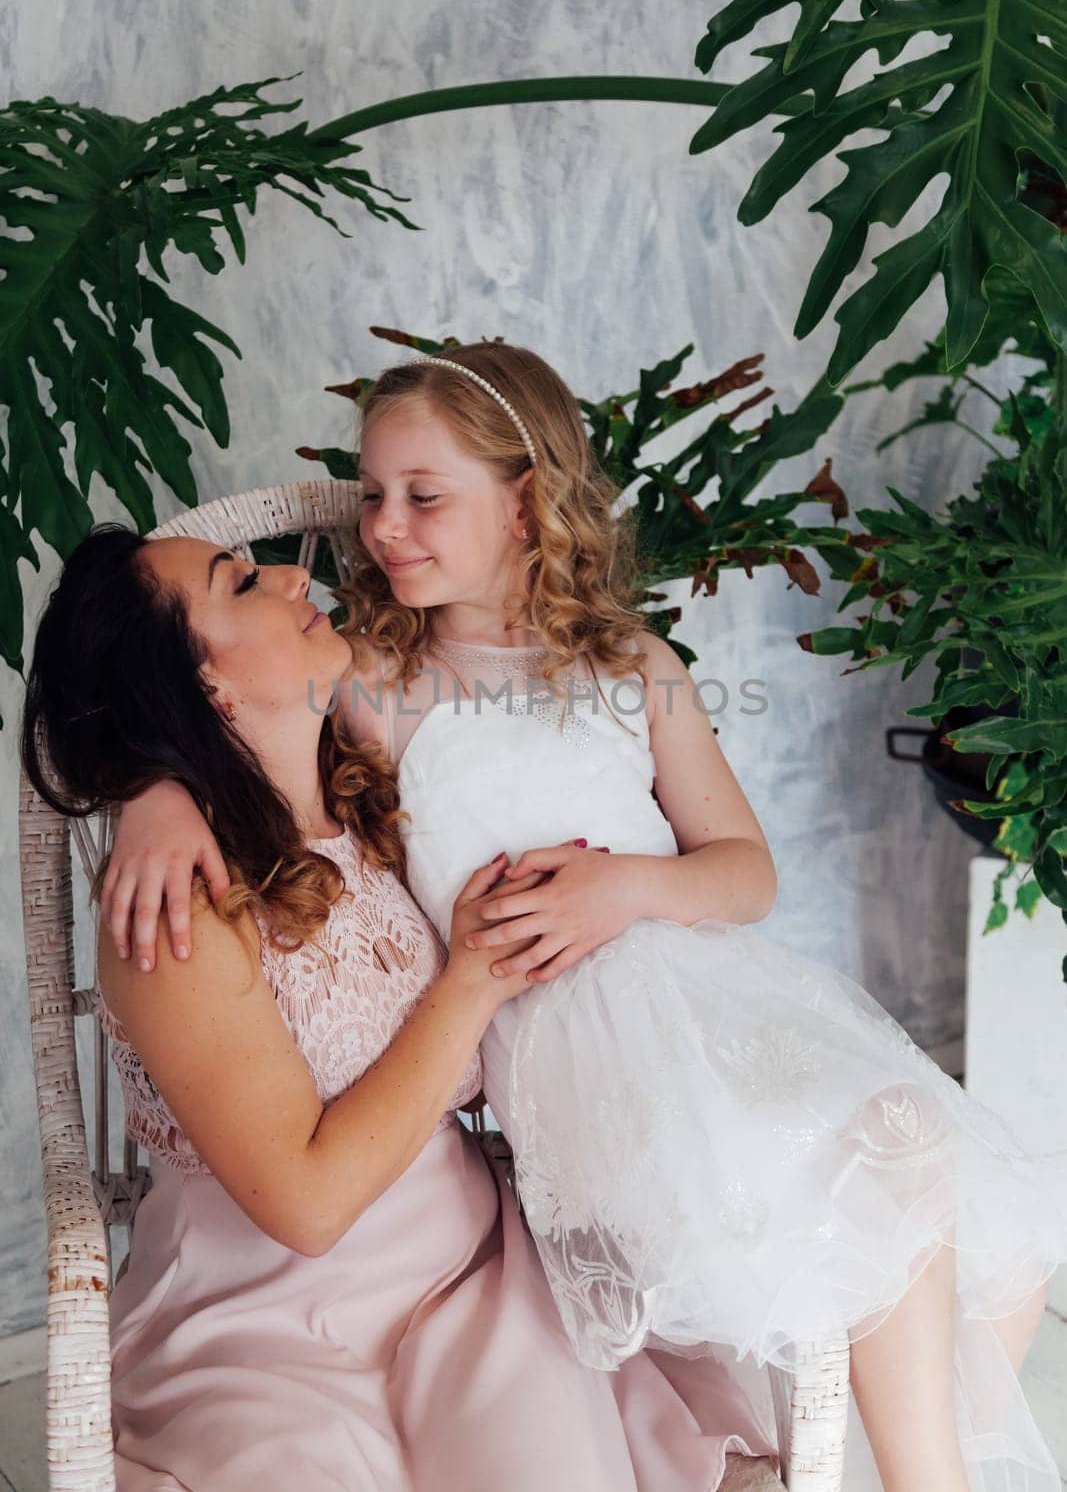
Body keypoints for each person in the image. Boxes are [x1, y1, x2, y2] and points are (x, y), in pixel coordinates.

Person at [104, 343, 1067, 1492]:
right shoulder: (371, 680)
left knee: (963, 1195)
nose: (382, 528)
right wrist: (151, 795)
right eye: (371, 496)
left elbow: (742, 873)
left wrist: (626, 887)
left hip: (713, 997)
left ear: (524, 503)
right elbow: (203, 712)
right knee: (882, 1183)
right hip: (575, 1050)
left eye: (423, 496)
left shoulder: (633, 667)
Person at [21, 523, 778, 1491]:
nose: (297, 573)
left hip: (470, 1277)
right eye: (243, 582)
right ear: (206, 686)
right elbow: (306, 1204)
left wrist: (152, 787)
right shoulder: (180, 907)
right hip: (267, 1324)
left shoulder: (377, 781)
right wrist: (469, 980)